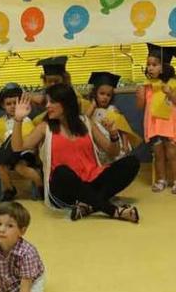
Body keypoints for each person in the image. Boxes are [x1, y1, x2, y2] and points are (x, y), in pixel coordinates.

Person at [12, 84, 140, 223]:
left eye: (52, 102)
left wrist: (114, 135)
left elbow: (112, 152)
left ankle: (88, 206)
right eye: (47, 102)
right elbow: (18, 147)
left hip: (91, 180)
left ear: (67, 103)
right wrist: (18, 119)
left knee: (132, 162)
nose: (47, 105)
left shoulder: (86, 122)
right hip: (64, 188)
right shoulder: (45, 127)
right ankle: (113, 211)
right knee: (62, 171)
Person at [137, 43, 176, 194]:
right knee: (158, 154)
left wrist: (170, 93)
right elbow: (140, 106)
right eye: (148, 65)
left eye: (154, 64)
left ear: (164, 67)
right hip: (154, 125)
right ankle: (161, 180)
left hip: (168, 124)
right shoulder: (147, 86)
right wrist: (139, 96)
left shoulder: (172, 83)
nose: (150, 68)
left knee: (172, 153)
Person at [0, 82, 43, 202]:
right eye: (8, 104)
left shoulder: (26, 120)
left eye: (15, 103)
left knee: (20, 167)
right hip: (7, 154)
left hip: (24, 153)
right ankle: (9, 189)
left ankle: (40, 185)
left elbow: (32, 139)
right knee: (1, 167)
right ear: (3, 105)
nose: (12, 106)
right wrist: (0, 143)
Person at [88, 71, 142, 165]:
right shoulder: (91, 110)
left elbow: (122, 128)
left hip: (113, 144)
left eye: (108, 95)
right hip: (99, 146)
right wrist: (92, 106)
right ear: (95, 94)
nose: (105, 97)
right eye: (102, 94)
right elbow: (84, 120)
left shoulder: (112, 110)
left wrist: (125, 144)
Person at [30, 56, 92, 125]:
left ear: (65, 80)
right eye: (49, 81)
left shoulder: (74, 96)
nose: (53, 84)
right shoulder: (41, 96)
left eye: (56, 81)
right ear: (45, 82)